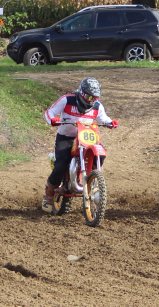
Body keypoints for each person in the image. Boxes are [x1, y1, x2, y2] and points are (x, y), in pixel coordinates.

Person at [43, 77, 118, 212]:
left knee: (100, 155)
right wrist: (52, 120)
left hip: (86, 138)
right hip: (66, 137)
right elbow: (50, 112)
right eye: (89, 97)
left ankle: (92, 177)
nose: (92, 100)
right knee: (60, 165)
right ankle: (48, 195)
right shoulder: (67, 100)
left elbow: (103, 118)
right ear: (82, 93)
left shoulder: (97, 106)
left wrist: (110, 122)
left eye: (95, 97)